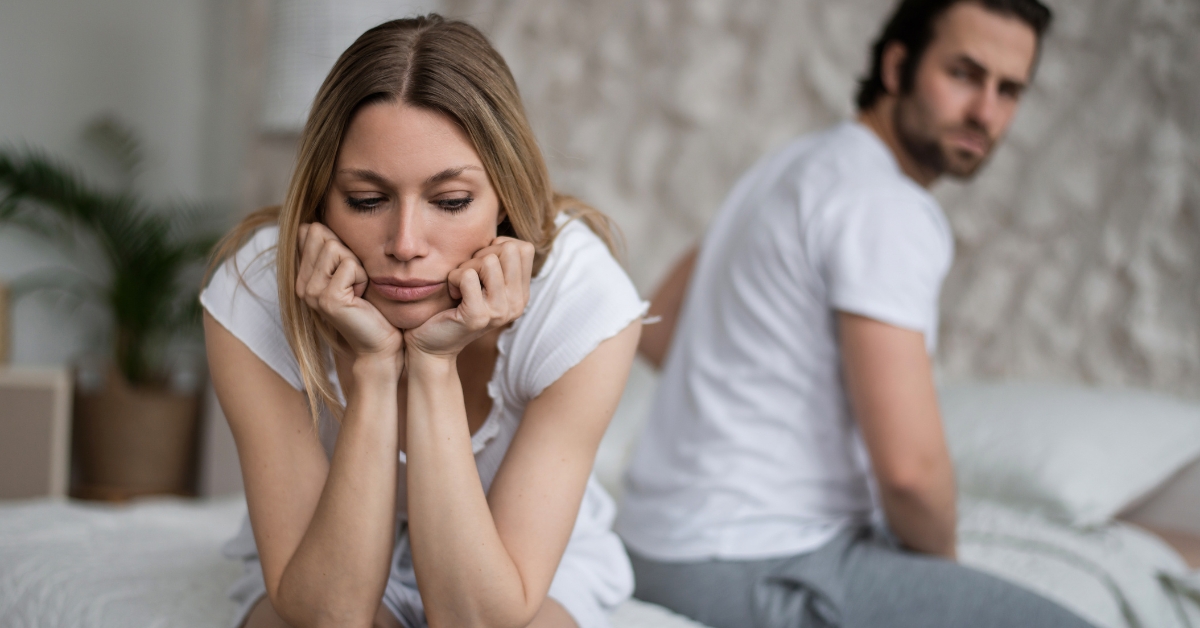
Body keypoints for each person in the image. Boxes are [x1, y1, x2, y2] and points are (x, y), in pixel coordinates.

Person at [616, 1, 1099, 626]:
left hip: (654, 542)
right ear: (897, 67)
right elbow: (910, 474)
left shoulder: (793, 165)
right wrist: (942, 583)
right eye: (964, 74)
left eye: (1008, 90)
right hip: (756, 555)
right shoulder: (884, 205)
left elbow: (660, 330)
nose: (985, 112)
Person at [202, 16, 645, 628]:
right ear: (321, 199)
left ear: (505, 199)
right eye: (366, 200)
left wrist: (434, 365)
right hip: (325, 547)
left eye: (451, 201)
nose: (406, 244)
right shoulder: (253, 291)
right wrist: (376, 369)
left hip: (514, 559)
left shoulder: (581, 302)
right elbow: (327, 614)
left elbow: (479, 620)